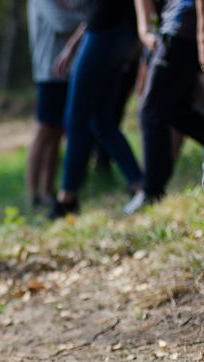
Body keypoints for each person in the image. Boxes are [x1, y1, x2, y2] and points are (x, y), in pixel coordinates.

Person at [51, 0, 144, 218]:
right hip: (108, 32)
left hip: (106, 32)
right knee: (100, 119)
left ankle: (67, 197)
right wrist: (72, 46)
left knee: (76, 118)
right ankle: (139, 184)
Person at [124, 0, 204, 213]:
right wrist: (147, 32)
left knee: (151, 110)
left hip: (181, 30)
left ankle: (152, 190)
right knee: (173, 109)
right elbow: (147, 19)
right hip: (175, 32)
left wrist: (202, 36)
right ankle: (152, 188)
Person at [26, 0, 86, 210]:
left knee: (57, 131)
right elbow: (62, 22)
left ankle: (47, 190)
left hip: (65, 72)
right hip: (48, 71)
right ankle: (32, 194)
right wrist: (87, 19)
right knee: (44, 130)